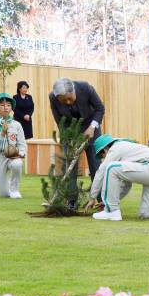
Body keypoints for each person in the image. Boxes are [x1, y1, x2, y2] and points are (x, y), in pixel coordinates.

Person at [49, 78, 105, 209]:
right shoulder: (53, 97)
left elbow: (100, 108)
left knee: (95, 165)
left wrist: (92, 127)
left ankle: (102, 200)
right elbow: (59, 120)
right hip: (70, 130)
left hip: (91, 128)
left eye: (70, 98)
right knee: (70, 166)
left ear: (74, 91)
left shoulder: (85, 88)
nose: (68, 102)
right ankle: (71, 201)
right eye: (64, 101)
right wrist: (68, 138)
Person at [0, 93, 26, 198]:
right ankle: (6, 186)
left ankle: (14, 189)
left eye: (8, 105)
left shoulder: (17, 125)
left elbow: (21, 143)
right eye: (2, 105)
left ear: (11, 108)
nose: (6, 107)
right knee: (4, 194)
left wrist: (21, 153)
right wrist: (2, 133)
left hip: (12, 155)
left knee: (17, 164)